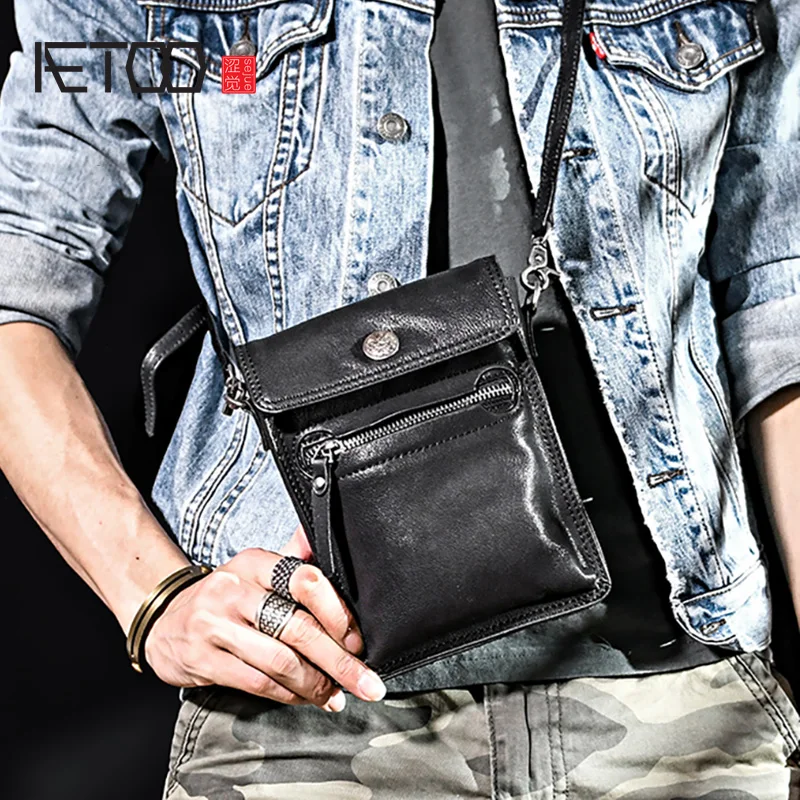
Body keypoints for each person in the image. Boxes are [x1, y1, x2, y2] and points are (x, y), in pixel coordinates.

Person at [1, 0, 799, 796]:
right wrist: (154, 597)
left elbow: (779, 298)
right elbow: (17, 274)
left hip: (685, 704)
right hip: (307, 715)